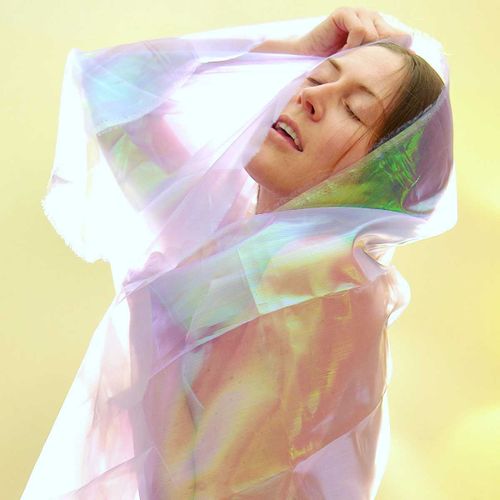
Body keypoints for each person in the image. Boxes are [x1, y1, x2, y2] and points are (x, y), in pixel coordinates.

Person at [23, 7, 456, 499]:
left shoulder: (328, 296)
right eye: (316, 77)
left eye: (354, 110)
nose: (310, 97)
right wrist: (296, 49)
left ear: (383, 176)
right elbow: (111, 86)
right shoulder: (228, 230)